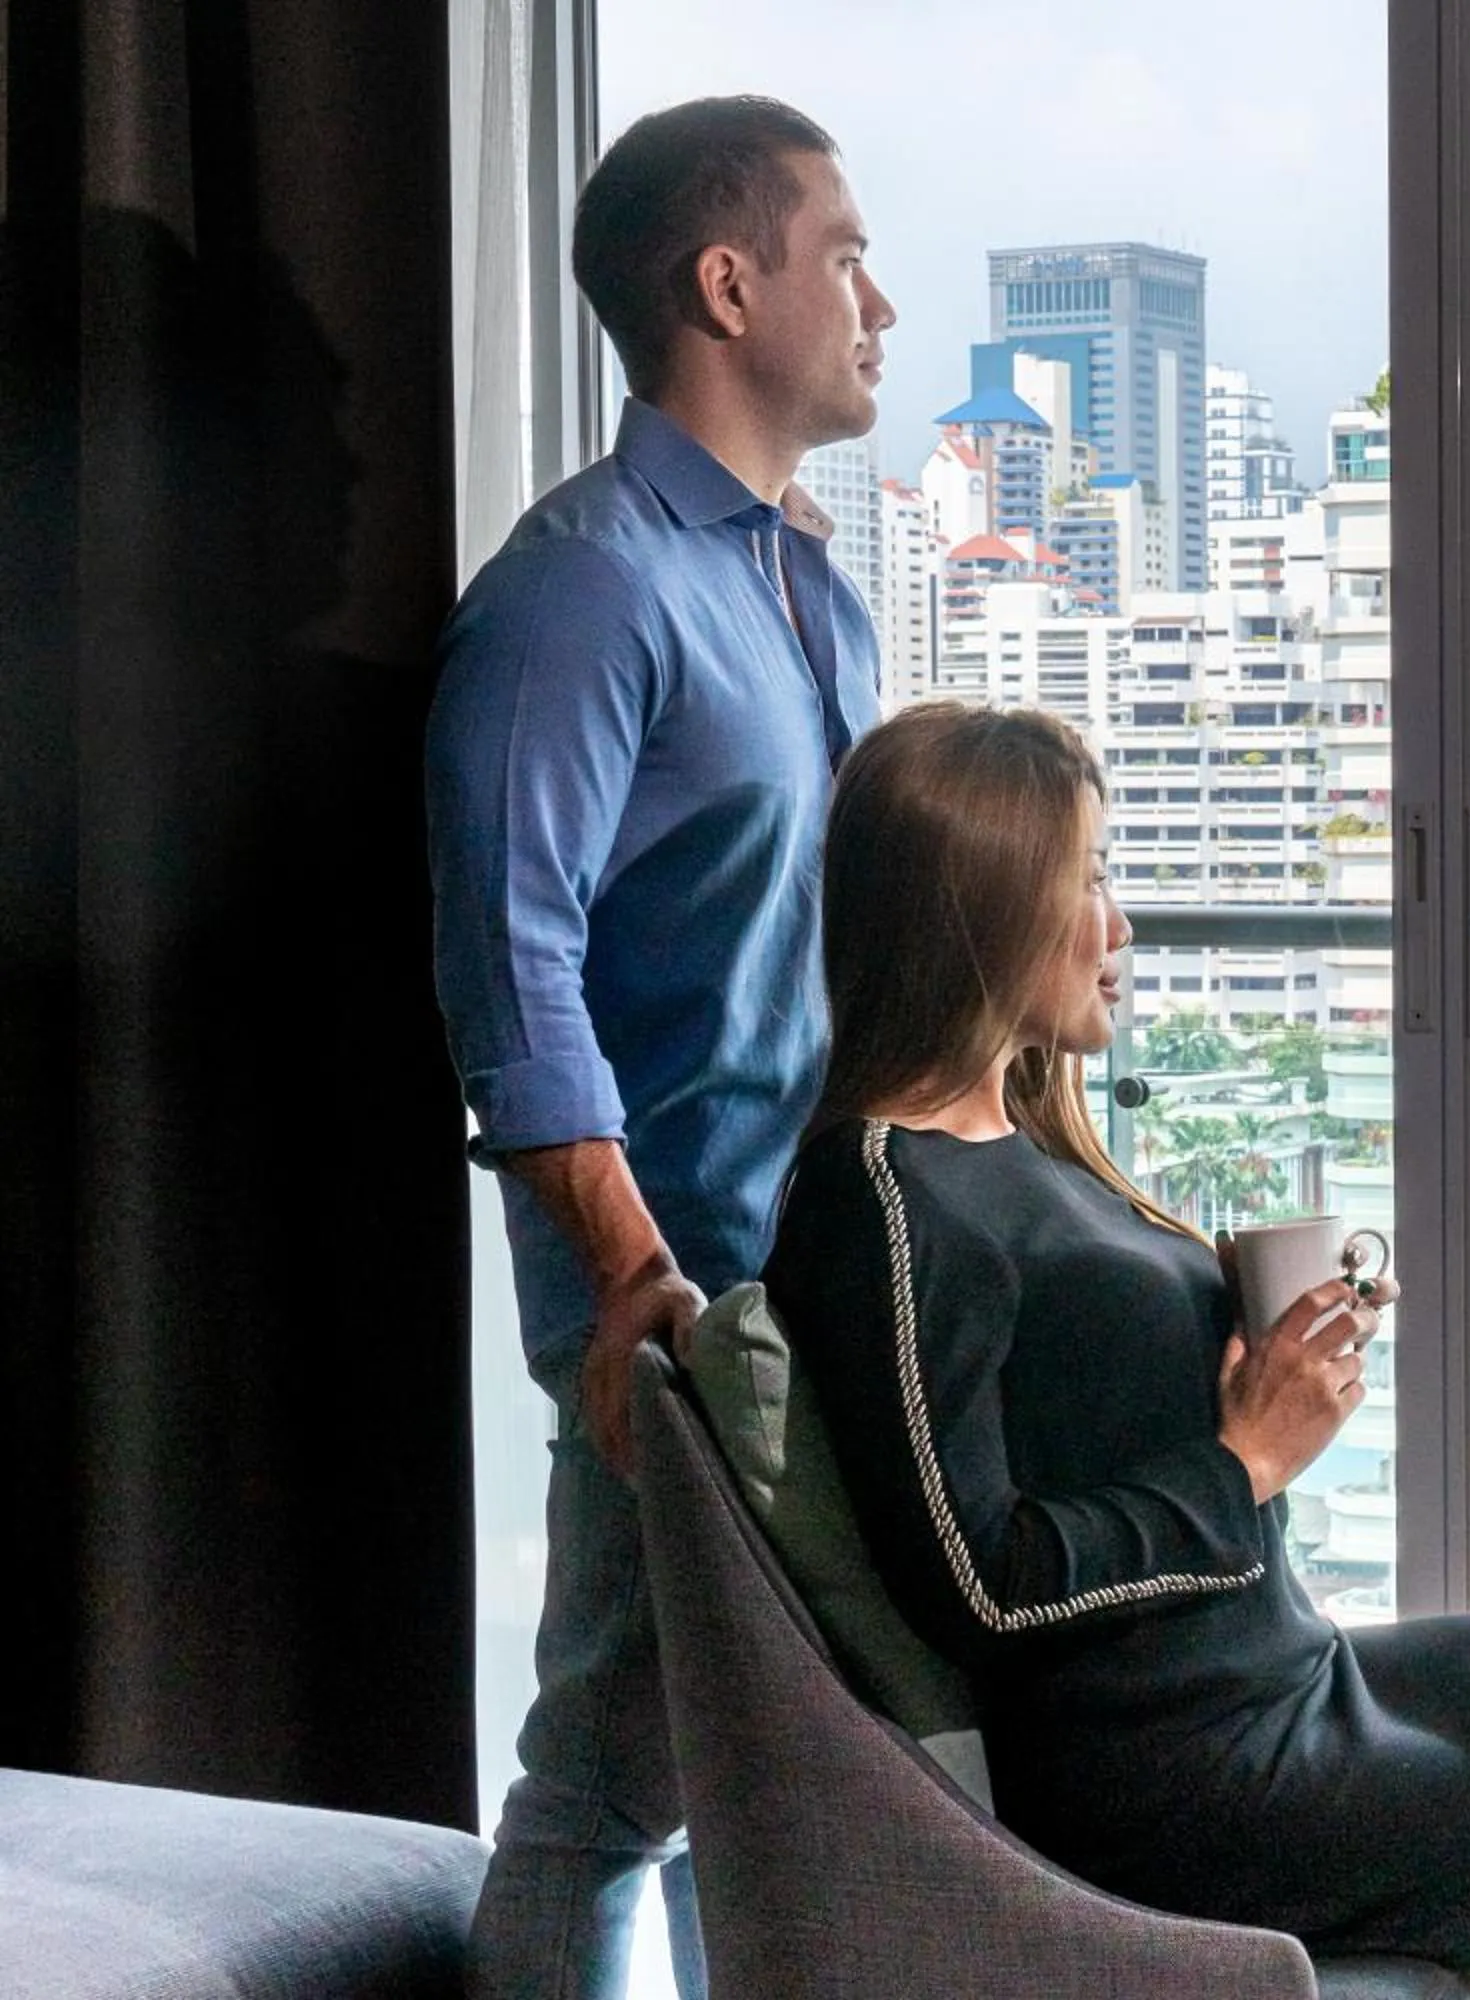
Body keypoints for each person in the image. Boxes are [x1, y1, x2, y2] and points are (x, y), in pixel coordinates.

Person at [762, 706, 1470, 2000]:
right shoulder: (885, 1201)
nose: (1118, 924)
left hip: (1284, 1673)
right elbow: (979, 1584)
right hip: (1190, 1773)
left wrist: (1265, 1344)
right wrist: (1245, 1459)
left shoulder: (1013, 1147)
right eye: (1086, 880)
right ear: (986, 902)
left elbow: (1091, 1402)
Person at [425, 95, 890, 1999]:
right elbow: (511, 977)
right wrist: (636, 1290)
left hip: (823, 1282)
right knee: (608, 1786)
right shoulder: (579, 591)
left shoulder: (804, 580)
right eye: (842, 250)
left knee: (770, 1782)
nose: (881, 291)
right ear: (728, 283)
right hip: (685, 1317)